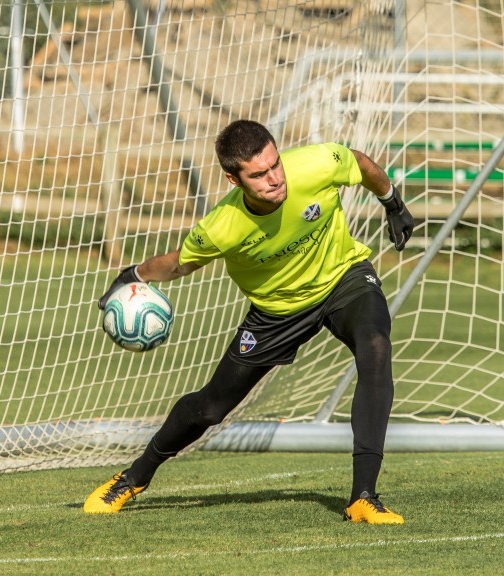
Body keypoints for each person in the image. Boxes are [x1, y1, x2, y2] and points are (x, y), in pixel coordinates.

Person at [84, 120, 414, 524]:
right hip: (276, 311)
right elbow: (179, 264)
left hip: (343, 279)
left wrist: (392, 202)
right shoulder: (222, 227)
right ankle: (133, 478)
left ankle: (363, 497)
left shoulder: (315, 164)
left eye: (275, 164)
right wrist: (135, 275)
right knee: (210, 407)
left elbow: (361, 164)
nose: (275, 179)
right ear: (233, 178)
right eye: (259, 174)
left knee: (376, 346)